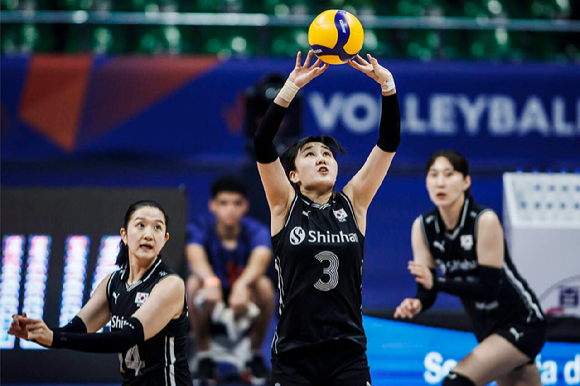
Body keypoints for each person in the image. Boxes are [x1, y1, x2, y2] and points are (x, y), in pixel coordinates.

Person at [253, 50, 401, 386]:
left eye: (327, 155)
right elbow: (263, 142)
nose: (322, 159)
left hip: (346, 352)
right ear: (292, 175)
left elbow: (389, 141)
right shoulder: (284, 205)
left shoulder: (354, 202)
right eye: (310, 154)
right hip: (294, 354)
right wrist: (291, 86)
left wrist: (387, 86)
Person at [394, 150, 546, 386]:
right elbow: (427, 289)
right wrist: (418, 303)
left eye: (449, 174)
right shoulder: (423, 227)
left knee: (456, 382)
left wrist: (438, 283)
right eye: (433, 175)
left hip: (522, 321)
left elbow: (488, 288)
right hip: (486, 327)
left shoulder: (483, 220)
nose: (440, 182)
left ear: (466, 181)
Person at [9, 200, 192, 386]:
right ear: (125, 235)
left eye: (157, 228)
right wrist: (37, 333)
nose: (148, 235)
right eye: (141, 225)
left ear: (164, 240)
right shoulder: (113, 283)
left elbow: (125, 338)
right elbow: (76, 331)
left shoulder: (170, 284)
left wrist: (55, 338)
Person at [185, 175, 274, 385]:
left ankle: (254, 355)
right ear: (212, 205)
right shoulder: (200, 227)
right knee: (192, 284)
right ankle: (205, 357)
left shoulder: (256, 230)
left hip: (244, 295)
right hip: (211, 295)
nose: (230, 209)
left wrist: (242, 285)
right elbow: (194, 255)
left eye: (236, 203)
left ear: (245, 206)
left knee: (265, 286)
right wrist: (210, 281)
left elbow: (262, 258)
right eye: (223, 203)